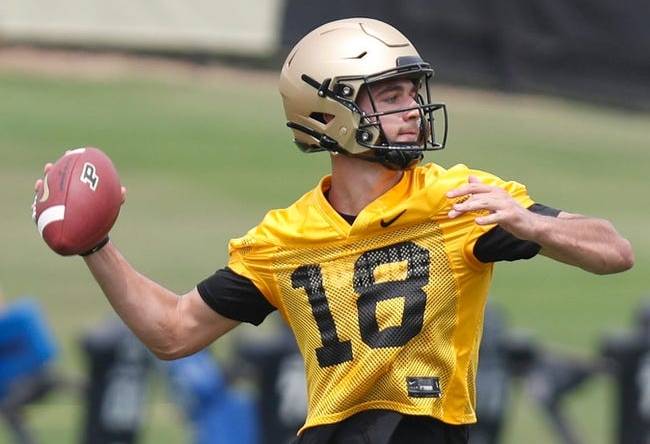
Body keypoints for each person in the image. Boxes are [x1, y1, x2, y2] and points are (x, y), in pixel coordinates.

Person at [33, 18, 633, 444]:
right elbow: (172, 332)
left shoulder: (459, 199)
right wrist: (96, 246)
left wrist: (534, 226)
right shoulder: (283, 239)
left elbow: (613, 251)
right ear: (329, 114)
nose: (412, 111)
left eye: (412, 94)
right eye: (389, 97)